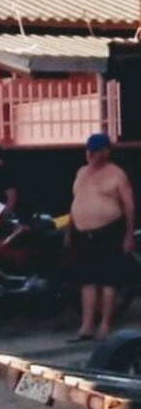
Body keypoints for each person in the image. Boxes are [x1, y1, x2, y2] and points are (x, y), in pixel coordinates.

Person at [68, 133, 135, 341]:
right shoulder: (81, 172)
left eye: (95, 151)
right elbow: (76, 202)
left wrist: (128, 235)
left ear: (106, 152)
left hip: (108, 231)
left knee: (108, 280)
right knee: (86, 280)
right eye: (89, 151)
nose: (91, 155)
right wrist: (70, 231)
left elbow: (129, 208)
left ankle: (105, 324)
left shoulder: (116, 174)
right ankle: (87, 325)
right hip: (82, 233)